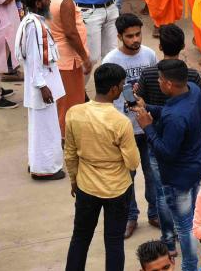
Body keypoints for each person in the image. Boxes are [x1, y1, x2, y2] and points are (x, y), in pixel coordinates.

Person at [133, 58, 201, 271]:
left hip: (178, 178)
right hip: (195, 167)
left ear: (167, 83)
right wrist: (147, 107)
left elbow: (166, 152)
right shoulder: (192, 90)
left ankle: (189, 266)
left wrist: (148, 127)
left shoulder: (176, 117)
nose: (157, 82)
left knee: (184, 226)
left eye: (159, 79)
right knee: (195, 216)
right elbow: (168, 112)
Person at [65, 62, 140, 271]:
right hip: (117, 189)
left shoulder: (74, 113)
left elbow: (70, 154)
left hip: (86, 186)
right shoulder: (121, 122)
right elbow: (133, 162)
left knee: (80, 237)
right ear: (115, 89)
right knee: (114, 242)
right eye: (122, 85)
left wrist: (74, 179)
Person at [102, 12, 159, 238]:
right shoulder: (110, 61)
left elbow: (156, 87)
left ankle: (154, 213)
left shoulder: (149, 56)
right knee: (127, 177)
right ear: (119, 37)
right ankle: (130, 217)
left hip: (147, 128)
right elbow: (105, 98)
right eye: (130, 36)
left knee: (153, 173)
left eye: (138, 34)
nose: (135, 39)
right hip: (124, 130)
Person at [14, 0, 66, 180]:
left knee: (42, 127)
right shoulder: (35, 26)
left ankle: (38, 162)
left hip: (41, 83)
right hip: (42, 86)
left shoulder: (32, 22)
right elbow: (35, 59)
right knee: (46, 129)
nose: (49, 1)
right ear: (38, 3)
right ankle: (45, 169)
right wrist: (42, 86)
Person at [45, 0, 90, 135]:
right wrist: (85, 58)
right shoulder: (64, 0)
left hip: (53, 56)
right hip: (67, 59)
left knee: (61, 102)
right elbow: (71, 33)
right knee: (70, 104)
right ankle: (66, 137)